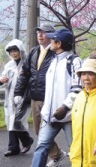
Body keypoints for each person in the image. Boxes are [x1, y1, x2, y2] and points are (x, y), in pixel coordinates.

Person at [14, 24, 67, 166]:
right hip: (35, 98)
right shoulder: (33, 52)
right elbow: (25, 73)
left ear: (52, 36)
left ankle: (79, 158)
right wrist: (18, 91)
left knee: (59, 133)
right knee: (39, 131)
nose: (40, 35)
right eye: (38, 32)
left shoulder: (58, 53)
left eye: (44, 33)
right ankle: (57, 154)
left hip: (52, 99)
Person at [32, 28, 82, 167]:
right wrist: (46, 110)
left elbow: (77, 88)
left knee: (76, 150)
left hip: (69, 116)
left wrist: (64, 107)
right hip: (50, 116)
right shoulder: (53, 61)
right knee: (41, 147)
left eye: (52, 39)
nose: (50, 40)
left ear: (59, 43)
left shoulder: (75, 61)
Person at [0, 39, 33, 156]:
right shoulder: (9, 65)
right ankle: (13, 147)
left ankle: (26, 140)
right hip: (10, 97)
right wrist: (1, 81)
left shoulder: (27, 63)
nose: (13, 53)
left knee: (17, 120)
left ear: (20, 50)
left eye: (15, 50)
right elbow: (4, 78)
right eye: (11, 51)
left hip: (23, 97)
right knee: (10, 120)